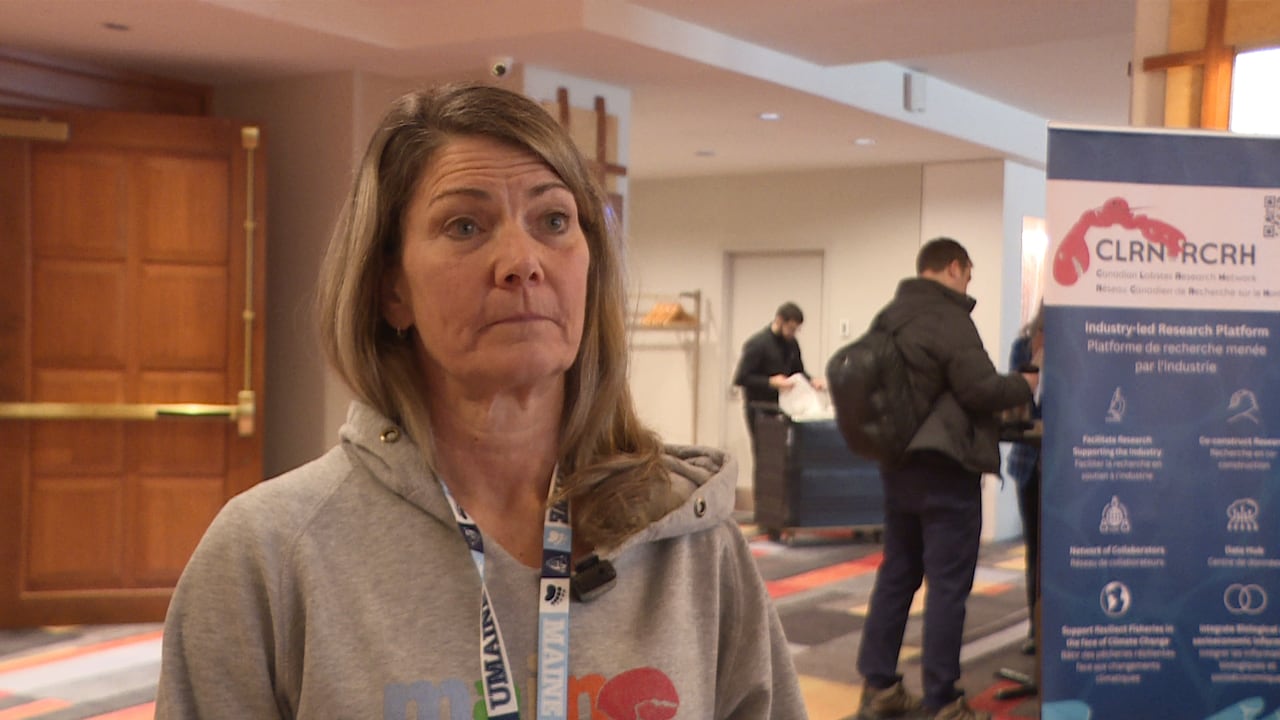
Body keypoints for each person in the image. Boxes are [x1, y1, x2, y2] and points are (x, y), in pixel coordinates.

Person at [155, 82, 805, 719]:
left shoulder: (689, 541)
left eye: (553, 221)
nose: (521, 261)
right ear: (391, 290)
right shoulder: (269, 556)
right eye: (465, 225)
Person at [854, 238, 1038, 720]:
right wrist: (1026, 382)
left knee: (897, 574)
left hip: (896, 466)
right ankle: (942, 699)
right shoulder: (949, 318)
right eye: (969, 276)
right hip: (945, 471)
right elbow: (979, 388)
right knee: (948, 585)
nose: (968, 286)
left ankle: (878, 687)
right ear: (955, 267)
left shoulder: (889, 316)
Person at [1004, 305, 1043, 656]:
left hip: (1075, 467)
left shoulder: (1083, 343)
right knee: (1036, 549)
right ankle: (1036, 626)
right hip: (1029, 460)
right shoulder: (1023, 346)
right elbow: (1015, 402)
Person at [733, 302, 825, 445]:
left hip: (785, 408)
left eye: (796, 330)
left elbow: (798, 371)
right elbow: (741, 378)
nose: (793, 333)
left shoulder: (792, 343)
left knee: (786, 458)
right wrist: (770, 382)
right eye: (791, 328)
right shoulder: (758, 344)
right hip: (760, 409)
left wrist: (811, 380)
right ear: (779, 320)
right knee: (768, 459)